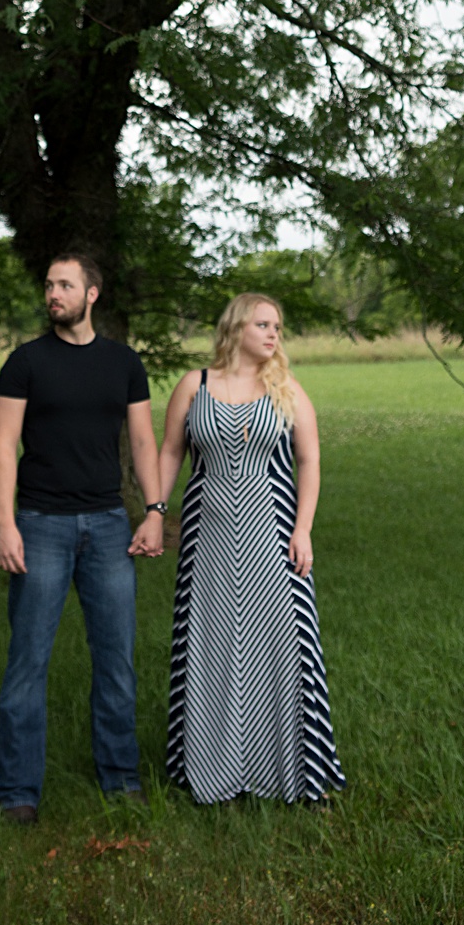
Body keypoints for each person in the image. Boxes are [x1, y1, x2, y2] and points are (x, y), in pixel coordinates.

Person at [0, 252, 166, 823]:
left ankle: (119, 780)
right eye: (48, 285)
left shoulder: (123, 363)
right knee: (28, 663)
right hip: (40, 525)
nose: (53, 294)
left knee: (116, 661)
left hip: (110, 526)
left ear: (92, 293)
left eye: (64, 284)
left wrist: (155, 510)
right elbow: (3, 449)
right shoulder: (24, 363)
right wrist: (5, 525)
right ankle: (18, 791)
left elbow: (142, 443)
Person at [159, 291, 345, 805]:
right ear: (236, 327)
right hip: (208, 540)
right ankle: (211, 771)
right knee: (211, 646)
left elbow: (309, 460)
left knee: (282, 647)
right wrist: (156, 512)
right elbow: (172, 450)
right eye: (263, 324)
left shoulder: (285, 388)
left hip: (273, 536)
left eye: (278, 328)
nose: (273, 334)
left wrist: (302, 529)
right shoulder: (194, 386)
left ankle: (292, 775)